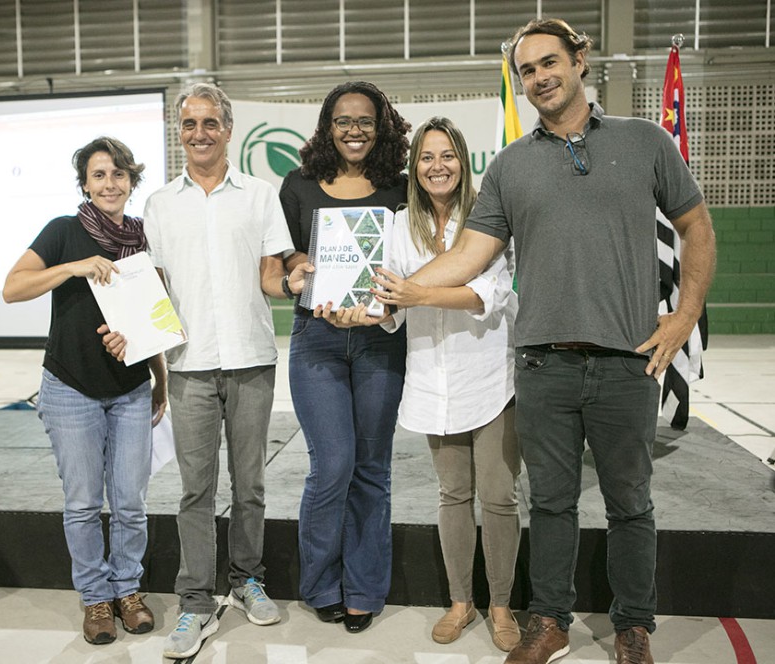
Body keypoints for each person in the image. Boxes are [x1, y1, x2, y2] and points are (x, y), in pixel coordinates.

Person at [383, 19, 717, 664]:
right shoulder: (511, 165)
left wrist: (683, 317)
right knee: (553, 504)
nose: (539, 78)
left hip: (628, 362)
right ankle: (551, 622)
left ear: (579, 60)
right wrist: (398, 292)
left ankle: (632, 626)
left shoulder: (645, 141)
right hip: (543, 367)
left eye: (548, 63)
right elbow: (471, 256)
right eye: (527, 71)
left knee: (630, 504)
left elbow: (696, 227)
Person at [101, 83, 306, 660]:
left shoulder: (260, 196)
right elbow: (155, 290)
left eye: (210, 123)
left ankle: (247, 581)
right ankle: (195, 601)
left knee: (251, 485)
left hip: (251, 359)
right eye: (189, 124)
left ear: (228, 128)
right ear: (179, 131)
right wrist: (137, 341)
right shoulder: (160, 205)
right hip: (189, 365)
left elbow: (271, 274)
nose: (200, 134)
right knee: (196, 488)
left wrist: (292, 282)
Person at [3, 136, 167, 646]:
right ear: (85, 184)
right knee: (81, 503)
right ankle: (95, 599)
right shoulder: (63, 231)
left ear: (132, 182)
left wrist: (160, 378)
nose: (110, 184)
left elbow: (153, 317)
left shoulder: (144, 239)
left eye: (119, 175)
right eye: (99, 175)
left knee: (130, 503)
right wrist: (71, 268)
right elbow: (13, 287)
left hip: (130, 388)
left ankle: (128, 592)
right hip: (70, 387)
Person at [369, 116, 523, 650]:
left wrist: (414, 295)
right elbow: (386, 299)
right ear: (415, 167)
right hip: (432, 376)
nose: (438, 166)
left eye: (447, 155)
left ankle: (501, 605)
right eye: (427, 158)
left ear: (463, 159)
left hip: (489, 373)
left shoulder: (488, 216)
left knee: (499, 495)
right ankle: (462, 602)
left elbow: (490, 293)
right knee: (453, 493)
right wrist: (357, 312)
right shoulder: (396, 223)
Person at [279, 80, 410, 633]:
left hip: (382, 337)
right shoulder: (298, 185)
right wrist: (294, 276)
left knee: (372, 470)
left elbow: (417, 261)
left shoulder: (401, 189)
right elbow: (280, 263)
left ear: (379, 128)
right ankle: (320, 584)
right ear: (327, 127)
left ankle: (363, 588)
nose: (353, 131)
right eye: (342, 121)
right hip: (318, 336)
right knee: (331, 466)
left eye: (364, 121)